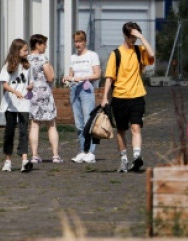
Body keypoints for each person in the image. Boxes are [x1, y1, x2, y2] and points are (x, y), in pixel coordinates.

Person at [101, 21, 155, 173]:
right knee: (121, 130)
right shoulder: (116, 54)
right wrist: (105, 96)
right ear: (125, 36)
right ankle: (124, 159)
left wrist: (141, 37)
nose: (134, 40)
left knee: (136, 127)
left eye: (135, 38)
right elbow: (109, 77)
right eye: (131, 37)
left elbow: (152, 55)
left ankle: (137, 157)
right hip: (119, 97)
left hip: (137, 95)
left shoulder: (140, 50)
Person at [62, 30, 101, 163]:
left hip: (86, 88)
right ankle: (83, 150)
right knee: (79, 123)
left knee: (88, 121)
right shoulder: (73, 57)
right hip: (75, 89)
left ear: (85, 42)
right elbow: (71, 74)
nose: (77, 44)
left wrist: (83, 78)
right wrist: (67, 79)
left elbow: (97, 74)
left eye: (80, 41)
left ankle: (91, 151)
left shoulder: (92, 55)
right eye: (76, 42)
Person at [0, 38, 34, 172]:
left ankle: (24, 159)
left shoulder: (27, 66)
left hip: (24, 103)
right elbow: (5, 85)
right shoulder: (8, 66)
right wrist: (15, 91)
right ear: (17, 51)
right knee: (9, 132)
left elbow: (31, 82)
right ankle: (8, 160)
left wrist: (30, 87)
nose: (27, 52)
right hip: (10, 105)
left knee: (24, 131)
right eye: (24, 50)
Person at [26, 34, 61, 164]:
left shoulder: (26, 59)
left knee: (34, 125)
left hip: (31, 94)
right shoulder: (43, 59)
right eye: (43, 44)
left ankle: (34, 155)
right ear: (37, 45)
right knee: (51, 124)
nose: (45, 47)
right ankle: (55, 155)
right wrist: (51, 67)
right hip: (44, 93)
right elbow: (50, 77)